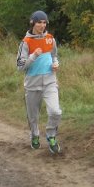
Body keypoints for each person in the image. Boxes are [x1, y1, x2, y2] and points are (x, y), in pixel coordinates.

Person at [16, 10, 62, 154]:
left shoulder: (50, 39)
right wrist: (33, 56)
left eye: (44, 22)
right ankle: (35, 135)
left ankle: (51, 136)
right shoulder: (26, 42)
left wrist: (56, 63)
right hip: (32, 84)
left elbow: (54, 56)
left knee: (56, 112)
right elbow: (20, 67)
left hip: (50, 81)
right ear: (32, 23)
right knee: (33, 116)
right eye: (39, 22)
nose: (42, 25)